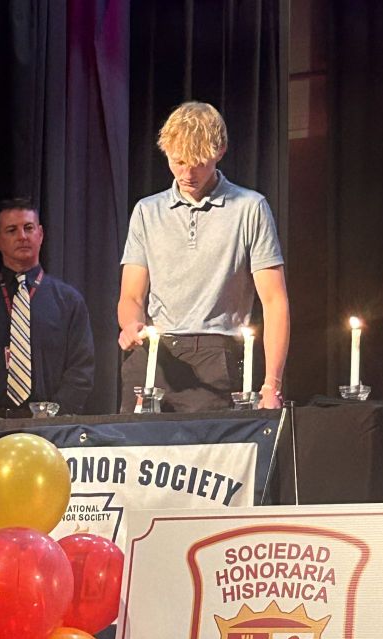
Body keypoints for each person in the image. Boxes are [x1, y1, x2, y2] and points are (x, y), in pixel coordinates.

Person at [118, 101, 289, 413]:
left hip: (216, 355)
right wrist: (131, 324)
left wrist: (271, 384)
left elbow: (274, 300)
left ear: (220, 151)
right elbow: (131, 295)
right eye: (178, 161)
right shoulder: (147, 211)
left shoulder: (249, 208)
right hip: (155, 356)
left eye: (198, 163)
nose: (187, 173)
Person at [0, 198, 95, 419]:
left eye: (28, 228)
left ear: (40, 234)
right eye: (11, 230)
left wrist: (53, 418)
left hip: (50, 427)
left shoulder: (69, 301)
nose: (22, 236)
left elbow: (81, 369)